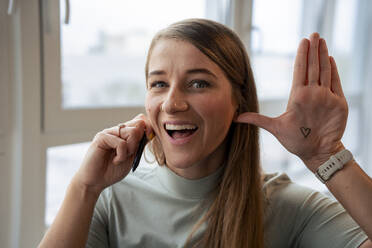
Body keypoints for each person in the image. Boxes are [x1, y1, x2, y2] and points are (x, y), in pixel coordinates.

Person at [38, 19, 372, 248]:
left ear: (237, 100)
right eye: (158, 84)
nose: (172, 103)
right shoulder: (110, 199)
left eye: (198, 83)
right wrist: (84, 186)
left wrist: (325, 156)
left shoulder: (288, 207)